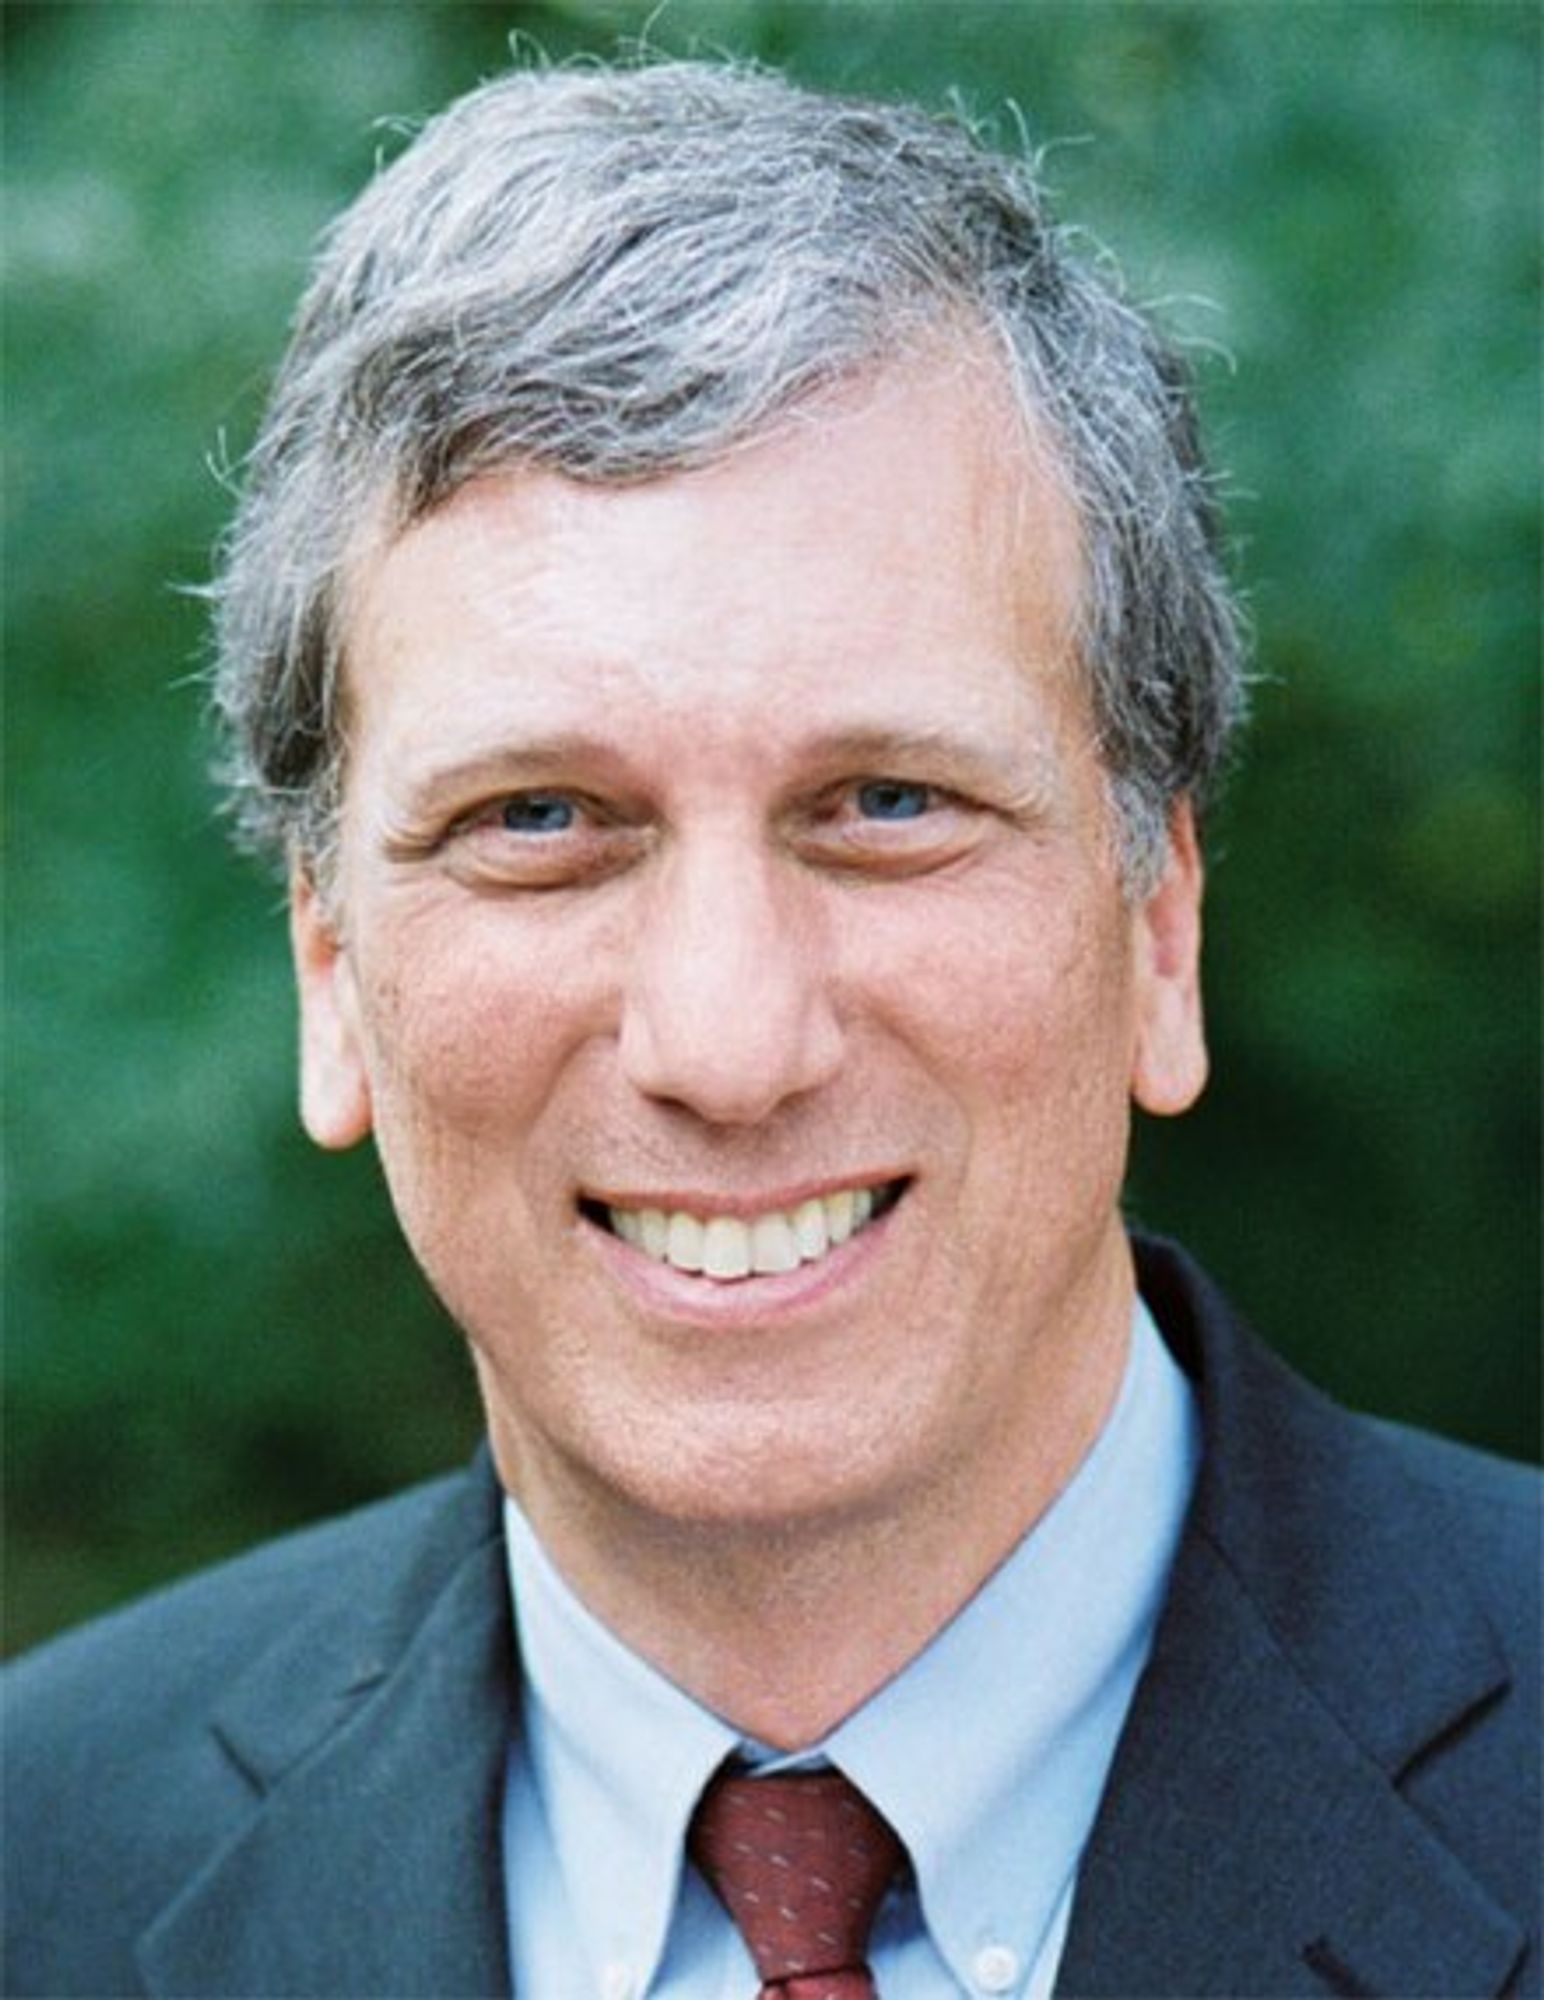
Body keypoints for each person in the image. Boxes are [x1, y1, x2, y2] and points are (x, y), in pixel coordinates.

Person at [5, 57, 1538, 2000]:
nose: (726, 1043)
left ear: (1158, 921)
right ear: (330, 971)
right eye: (540, 822)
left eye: (887, 802)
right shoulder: (34, 1868)